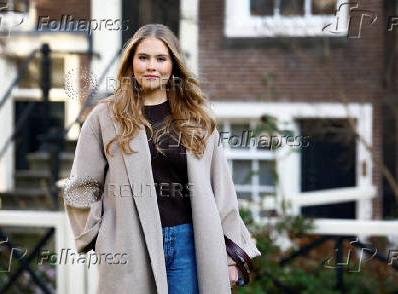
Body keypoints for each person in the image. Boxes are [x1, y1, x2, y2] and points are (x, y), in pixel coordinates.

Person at [63, 24, 261, 294]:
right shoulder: (105, 117)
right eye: (143, 57)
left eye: (161, 59)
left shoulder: (196, 117)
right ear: (131, 62)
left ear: (173, 65)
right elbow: (81, 187)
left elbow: (222, 192)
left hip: (190, 244)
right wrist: (101, 236)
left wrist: (230, 255)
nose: (151, 66)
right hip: (130, 243)